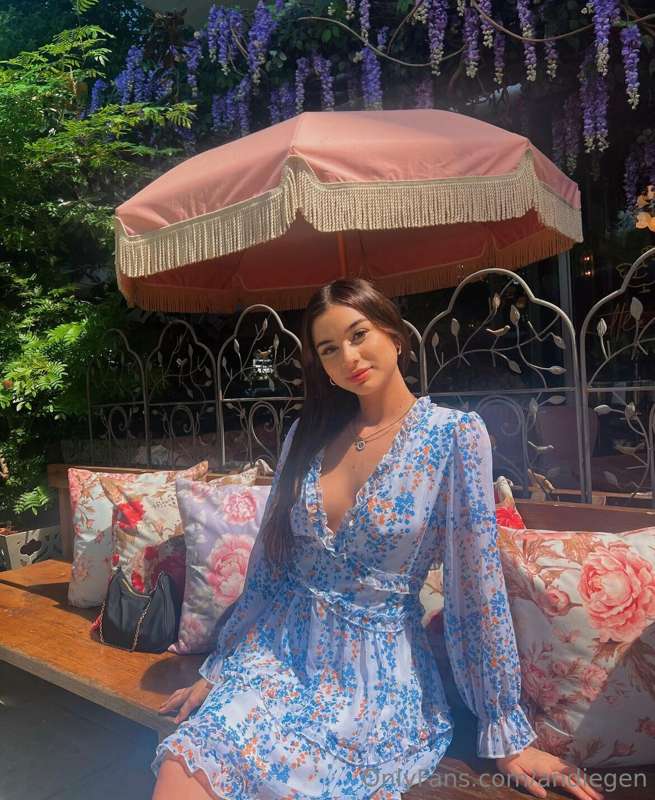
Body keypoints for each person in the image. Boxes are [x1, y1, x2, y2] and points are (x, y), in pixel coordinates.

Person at [151, 279, 603, 800]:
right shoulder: (307, 434)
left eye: (358, 334)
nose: (349, 357)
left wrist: (504, 730)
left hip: (374, 683)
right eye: (328, 349)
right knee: (185, 762)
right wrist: (223, 665)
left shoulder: (452, 436)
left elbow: (475, 590)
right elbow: (271, 570)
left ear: (393, 333)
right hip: (276, 658)